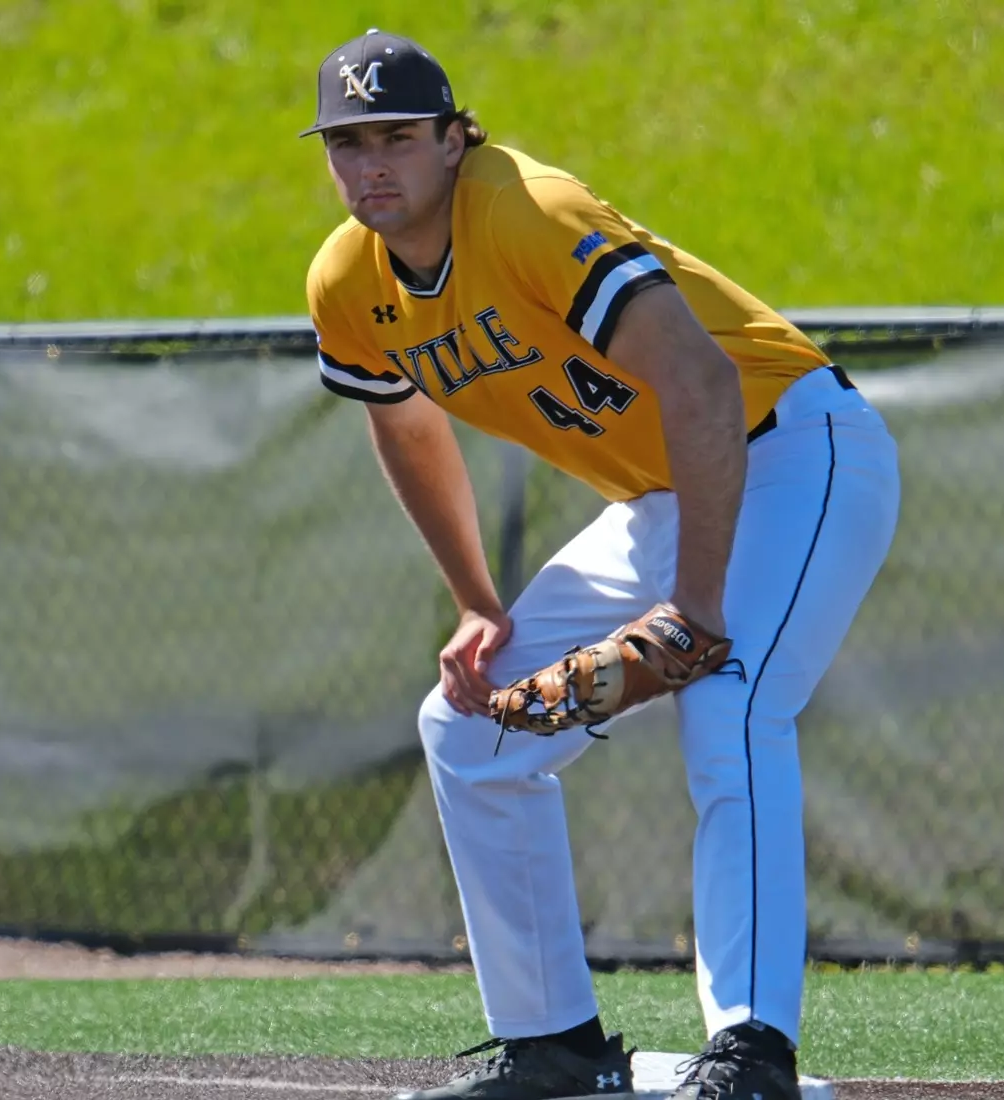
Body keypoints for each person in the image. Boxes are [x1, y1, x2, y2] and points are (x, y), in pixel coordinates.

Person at [299, 28, 901, 1100]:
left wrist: (694, 609)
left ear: (452, 138)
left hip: (794, 447)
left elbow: (707, 385)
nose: (370, 164)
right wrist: (478, 603)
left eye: (395, 135)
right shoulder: (347, 279)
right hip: (670, 492)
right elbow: (405, 423)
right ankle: (555, 1045)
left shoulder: (528, 211)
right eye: (346, 144)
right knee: (467, 726)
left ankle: (752, 1050)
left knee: (728, 701)